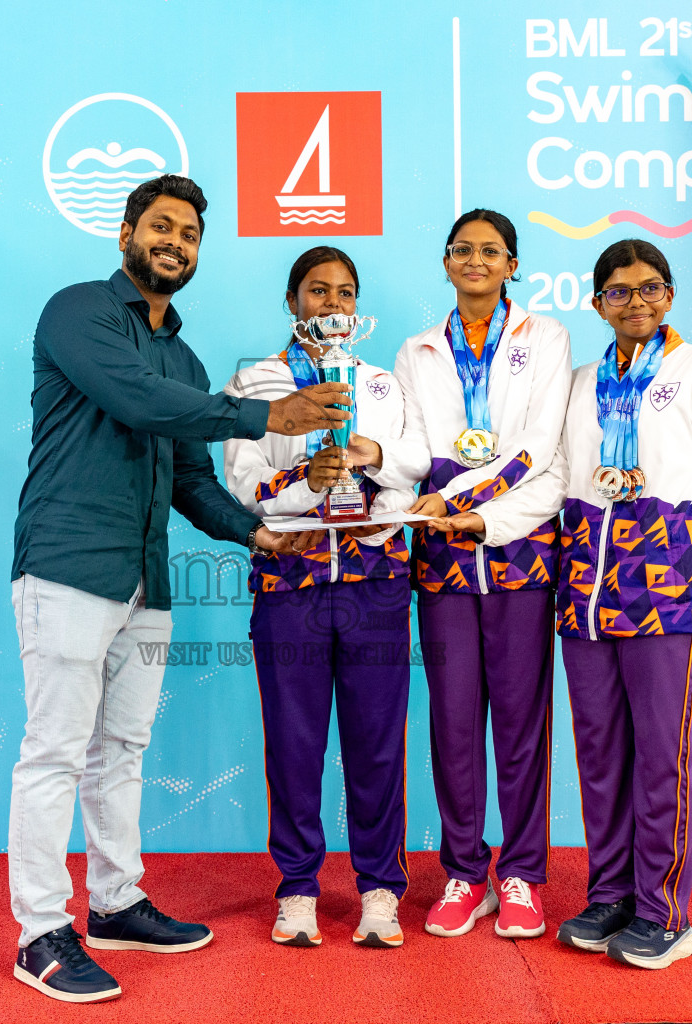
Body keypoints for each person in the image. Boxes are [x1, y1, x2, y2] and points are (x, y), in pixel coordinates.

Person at [8, 174, 346, 1004]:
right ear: (126, 233)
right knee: (54, 751)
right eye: (161, 227)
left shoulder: (185, 358)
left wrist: (258, 533)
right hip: (70, 565)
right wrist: (263, 417)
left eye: (190, 235)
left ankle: (116, 902)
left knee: (121, 751)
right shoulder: (79, 312)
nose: (176, 243)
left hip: (146, 582)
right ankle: (40, 933)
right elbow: (135, 398)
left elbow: (192, 480)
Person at [432, 238, 692, 969]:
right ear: (597, 303)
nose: (635, 301)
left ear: (669, 295)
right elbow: (552, 473)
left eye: (649, 288)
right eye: (618, 291)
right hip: (585, 594)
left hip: (671, 592)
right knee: (601, 757)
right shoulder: (581, 381)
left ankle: (665, 911)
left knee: (661, 759)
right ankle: (611, 894)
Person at [223, 246, 428, 949]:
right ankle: (298, 889)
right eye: (317, 291)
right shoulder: (257, 381)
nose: (331, 304)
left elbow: (415, 463)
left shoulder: (379, 382)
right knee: (294, 742)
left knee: (377, 742)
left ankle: (378, 890)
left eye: (344, 292)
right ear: (292, 301)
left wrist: (370, 475)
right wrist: (312, 481)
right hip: (292, 584)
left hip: (374, 579)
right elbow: (244, 489)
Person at [391, 209, 573, 940]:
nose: (475, 260)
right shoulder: (416, 351)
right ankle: (466, 872)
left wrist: (470, 503)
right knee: (454, 723)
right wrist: (376, 463)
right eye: (462, 249)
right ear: (445, 262)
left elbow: (542, 449)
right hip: (440, 558)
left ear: (511, 265)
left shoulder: (547, 338)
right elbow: (414, 449)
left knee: (524, 725)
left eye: (490, 251)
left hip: (520, 550)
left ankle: (523, 873)